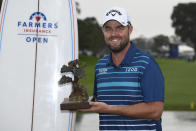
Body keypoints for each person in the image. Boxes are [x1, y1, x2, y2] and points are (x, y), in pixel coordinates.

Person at [80, 7, 164, 131]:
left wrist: (110, 109)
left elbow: (155, 110)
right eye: (108, 29)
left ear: (130, 29)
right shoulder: (100, 66)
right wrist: (76, 99)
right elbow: (99, 102)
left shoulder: (146, 63)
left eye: (119, 28)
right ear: (103, 31)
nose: (113, 34)